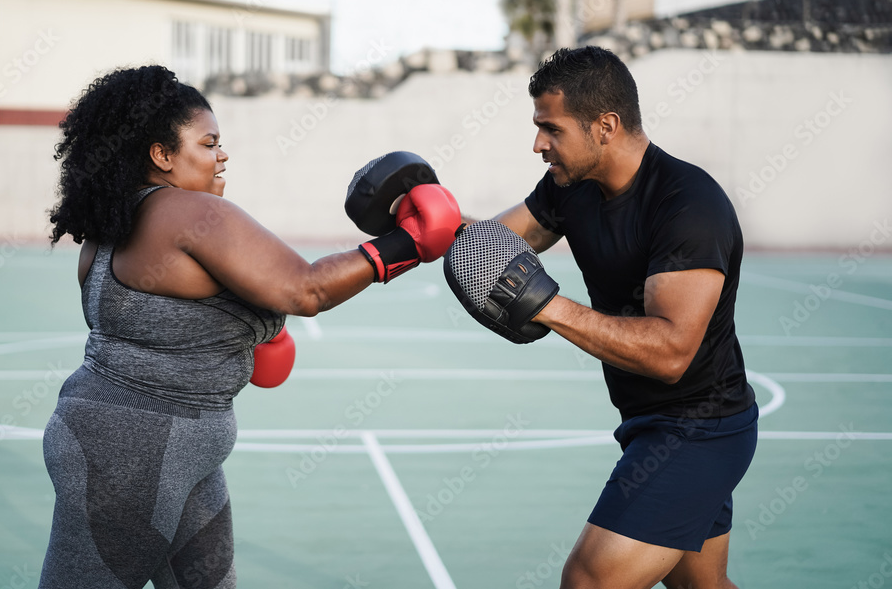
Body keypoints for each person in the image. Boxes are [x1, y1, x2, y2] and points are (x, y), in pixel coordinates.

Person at [40, 65, 457, 588]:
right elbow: (307, 288)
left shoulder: (109, 228)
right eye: (208, 142)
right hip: (134, 454)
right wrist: (406, 243)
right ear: (162, 155)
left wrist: (252, 332)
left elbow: (164, 323)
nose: (222, 155)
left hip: (161, 446)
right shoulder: (189, 213)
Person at [473, 47, 757, 588]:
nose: (538, 144)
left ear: (605, 125)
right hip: (646, 422)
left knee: (588, 581)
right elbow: (490, 246)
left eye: (550, 129)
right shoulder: (571, 187)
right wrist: (421, 221)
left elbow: (671, 352)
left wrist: (547, 306)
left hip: (699, 429)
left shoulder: (688, 206)